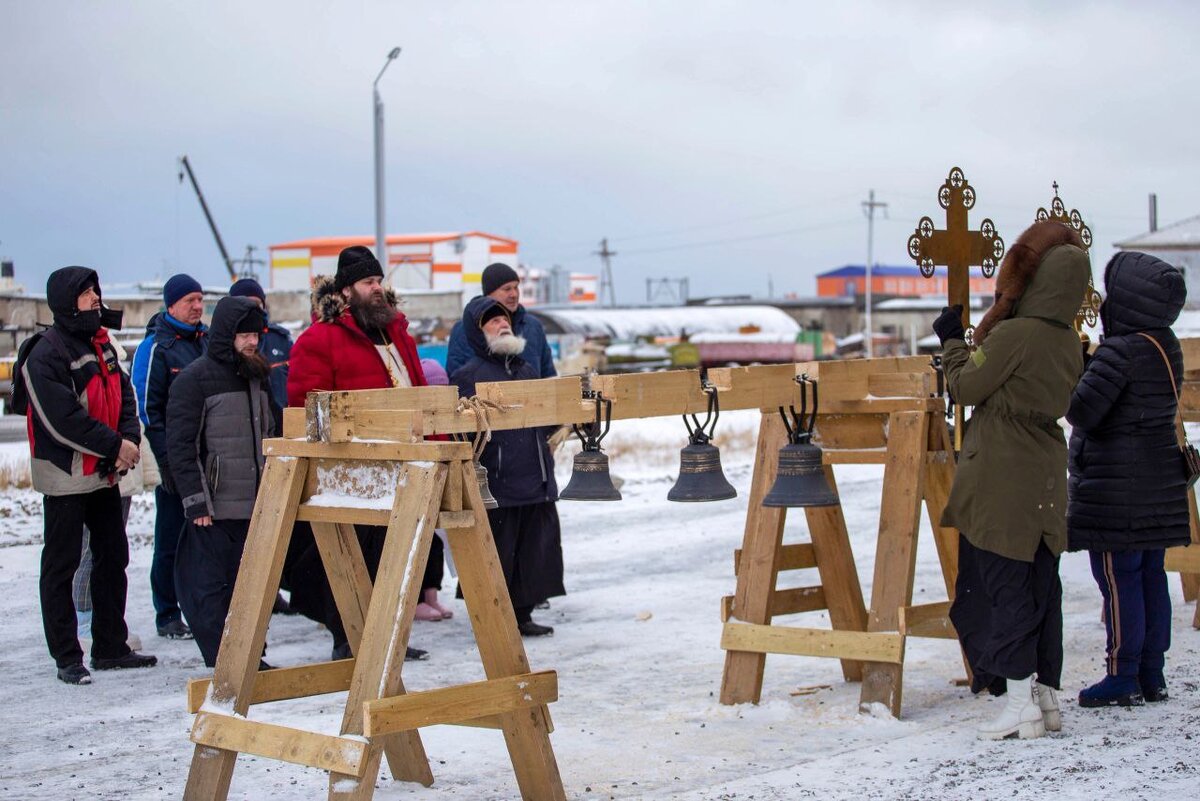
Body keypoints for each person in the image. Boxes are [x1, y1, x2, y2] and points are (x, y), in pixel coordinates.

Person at [933, 220, 1090, 740]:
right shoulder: (1068, 340)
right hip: (1043, 465)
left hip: (1003, 473)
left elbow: (967, 385)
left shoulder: (1018, 334)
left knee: (1003, 586)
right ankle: (1045, 698)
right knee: (1040, 585)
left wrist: (953, 340)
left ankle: (1019, 701)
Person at [287, 245, 435, 661]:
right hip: (352, 472)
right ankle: (347, 637)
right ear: (347, 290)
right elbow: (306, 408)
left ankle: (388, 638)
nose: (377, 288)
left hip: (405, 464)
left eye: (379, 281)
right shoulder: (320, 339)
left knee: (397, 558)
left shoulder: (396, 332)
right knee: (349, 560)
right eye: (369, 282)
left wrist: (438, 444)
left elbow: (420, 393)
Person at [22, 266, 157, 684]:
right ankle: (67, 655)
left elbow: (125, 398)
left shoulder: (103, 344)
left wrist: (128, 441)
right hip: (66, 477)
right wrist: (114, 446)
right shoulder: (45, 353)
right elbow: (62, 419)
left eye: (95, 291)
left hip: (104, 472)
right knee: (62, 565)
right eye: (86, 293)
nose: (95, 298)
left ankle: (110, 646)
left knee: (113, 556)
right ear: (66, 301)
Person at [1067, 251, 1189, 708]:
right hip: (1157, 482)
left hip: (1119, 487)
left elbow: (1082, 410)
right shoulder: (1165, 343)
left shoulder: (1120, 351)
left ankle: (1121, 675)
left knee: (1118, 577)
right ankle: (1151, 672)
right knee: (1150, 574)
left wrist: (1081, 368)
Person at [167, 296, 275, 668]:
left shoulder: (258, 375)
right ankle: (222, 660)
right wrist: (196, 501)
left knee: (250, 588)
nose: (252, 342)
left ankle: (249, 656)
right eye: (244, 334)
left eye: (256, 334)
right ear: (227, 334)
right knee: (212, 589)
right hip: (215, 506)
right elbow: (180, 446)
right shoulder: (196, 379)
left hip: (256, 504)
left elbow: (271, 433)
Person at [451, 296, 564, 636]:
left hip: (535, 478)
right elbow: (462, 431)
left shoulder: (528, 371)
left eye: (505, 321)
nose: (502, 325)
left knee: (533, 554)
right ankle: (494, 620)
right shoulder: (467, 376)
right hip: (499, 482)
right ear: (476, 332)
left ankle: (523, 615)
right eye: (492, 322)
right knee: (498, 555)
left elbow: (545, 420)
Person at [131, 273, 208, 640]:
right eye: (190, 299)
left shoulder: (207, 341)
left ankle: (201, 606)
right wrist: (167, 462)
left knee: (204, 538)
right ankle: (167, 612)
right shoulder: (156, 347)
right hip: (174, 460)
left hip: (207, 457)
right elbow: (147, 410)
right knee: (171, 538)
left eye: (200, 299)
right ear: (171, 304)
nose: (197, 306)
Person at [446, 262, 556, 379]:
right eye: (507, 289)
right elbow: (456, 378)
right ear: (489, 294)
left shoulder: (533, 326)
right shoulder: (465, 328)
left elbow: (548, 373)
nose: (514, 294)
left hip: (533, 395)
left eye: (516, 287)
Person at [228, 277, 292, 422]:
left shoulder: (281, 340)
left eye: (256, 304)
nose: (251, 309)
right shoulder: (226, 342)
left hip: (280, 426)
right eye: (244, 304)